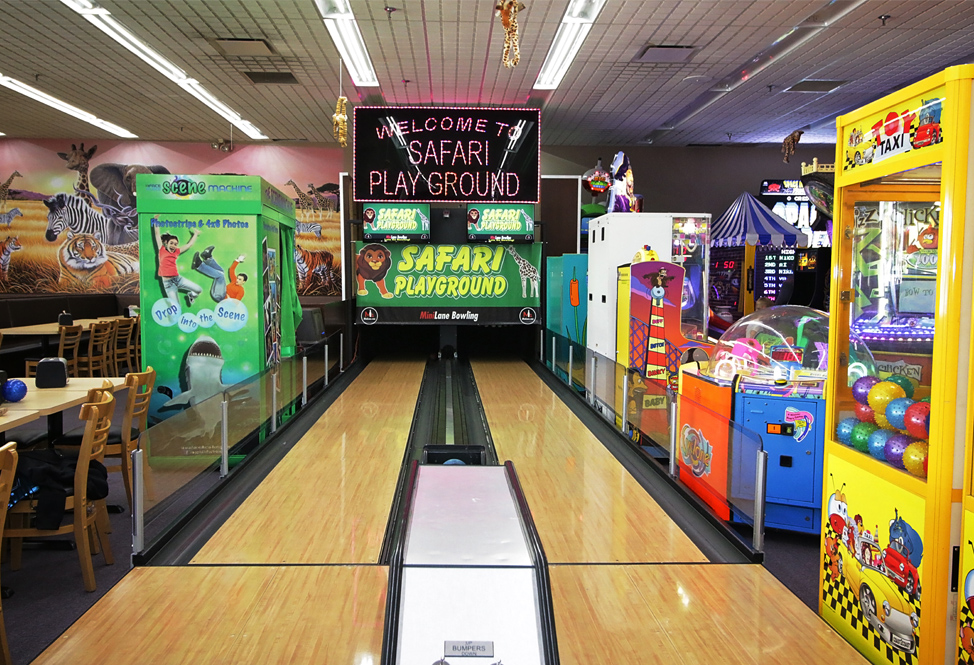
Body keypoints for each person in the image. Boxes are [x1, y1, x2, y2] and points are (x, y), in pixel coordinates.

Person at [154, 224, 202, 306]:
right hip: (168, 284)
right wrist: (155, 221)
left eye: (175, 244)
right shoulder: (161, 249)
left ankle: (191, 295)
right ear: (166, 243)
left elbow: (189, 245)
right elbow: (157, 233)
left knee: (198, 290)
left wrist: (196, 234)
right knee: (176, 307)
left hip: (178, 279)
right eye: (171, 243)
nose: (173, 245)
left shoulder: (177, 252)